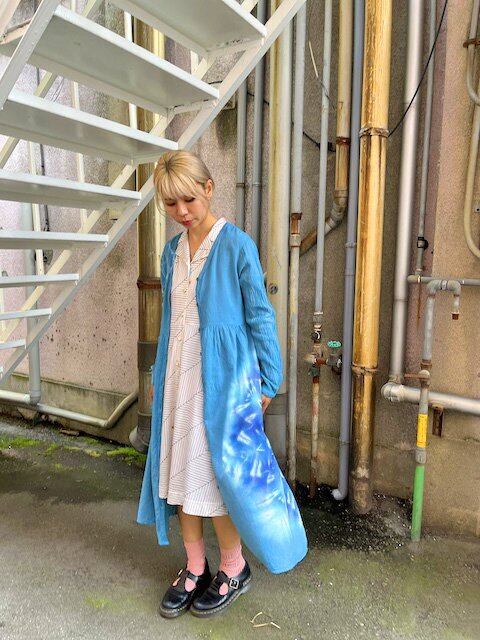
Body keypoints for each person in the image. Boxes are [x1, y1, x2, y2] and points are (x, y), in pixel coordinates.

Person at [136, 150, 308, 619]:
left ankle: (234, 567)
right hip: (178, 383)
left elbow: (260, 316)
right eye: (170, 204)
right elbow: (172, 323)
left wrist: (269, 380)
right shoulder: (172, 253)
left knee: (220, 480)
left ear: (209, 189)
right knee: (180, 477)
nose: (181, 211)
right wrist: (159, 378)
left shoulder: (236, 245)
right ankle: (195, 566)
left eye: (188, 200)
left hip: (225, 387)